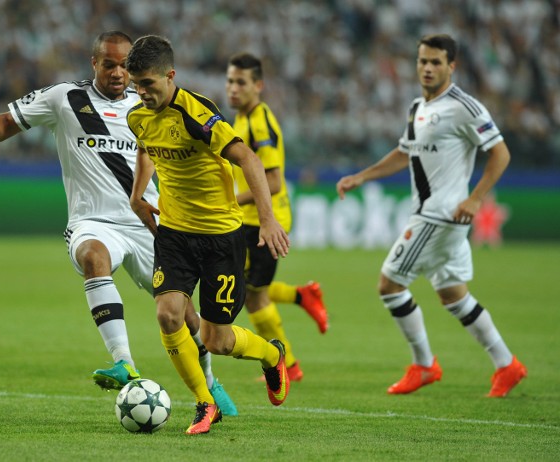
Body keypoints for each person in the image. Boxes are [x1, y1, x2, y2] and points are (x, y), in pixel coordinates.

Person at [0, 30, 237, 415]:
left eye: (125, 66)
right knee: (94, 256)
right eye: (109, 64)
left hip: (149, 221)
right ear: (94, 63)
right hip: (92, 220)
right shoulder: (63, 98)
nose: (118, 73)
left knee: (185, 315)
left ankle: (210, 385)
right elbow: (1, 128)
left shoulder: (149, 104)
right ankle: (124, 361)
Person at [336, 34, 527, 398]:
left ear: (451, 66)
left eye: (436, 62)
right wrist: (362, 175)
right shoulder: (416, 108)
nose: (427, 68)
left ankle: (424, 365)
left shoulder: (465, 106)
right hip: (439, 217)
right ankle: (507, 365)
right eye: (422, 61)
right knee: (454, 295)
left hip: (438, 216)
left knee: (389, 285)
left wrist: (476, 199)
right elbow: (403, 153)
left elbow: (500, 153)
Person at [125, 35, 291, 435]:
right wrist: (137, 196)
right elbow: (146, 147)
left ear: (170, 76)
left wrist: (267, 220)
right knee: (168, 315)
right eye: (136, 86)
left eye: (149, 84)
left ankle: (272, 354)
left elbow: (248, 158)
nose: (142, 93)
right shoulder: (138, 116)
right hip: (174, 233)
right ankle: (205, 402)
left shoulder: (197, 114)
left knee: (217, 341)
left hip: (220, 237)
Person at [225, 52, 329, 383]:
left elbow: (272, 181)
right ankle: (302, 296)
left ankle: (289, 364)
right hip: (248, 218)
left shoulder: (259, 121)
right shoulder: (241, 118)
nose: (233, 89)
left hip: (263, 221)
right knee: (251, 290)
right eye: (230, 81)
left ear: (259, 85)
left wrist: (230, 198)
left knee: (252, 295)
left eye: (241, 82)